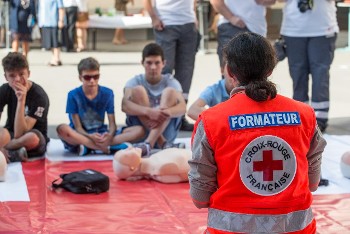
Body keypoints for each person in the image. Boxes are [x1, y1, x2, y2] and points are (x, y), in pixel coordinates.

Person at [188, 32, 327, 233]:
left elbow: (199, 198)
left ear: (229, 71)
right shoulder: (305, 115)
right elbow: (313, 184)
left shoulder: (211, 121)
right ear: (270, 70)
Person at [56, 57, 144, 156]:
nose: (92, 81)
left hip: (101, 133)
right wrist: (89, 136)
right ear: (80, 78)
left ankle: (88, 146)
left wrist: (109, 135)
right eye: (87, 77)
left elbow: (112, 124)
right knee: (62, 129)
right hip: (82, 134)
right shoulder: (73, 95)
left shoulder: (108, 93)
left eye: (95, 76)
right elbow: (78, 127)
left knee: (139, 130)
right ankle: (107, 148)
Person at [279, 0, 339, 133]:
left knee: (320, 76)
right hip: (293, 30)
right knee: (298, 76)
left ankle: (320, 120)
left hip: (323, 29)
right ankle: (301, 117)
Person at [121, 43, 186, 157]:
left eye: (157, 63)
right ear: (142, 63)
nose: (153, 67)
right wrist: (149, 112)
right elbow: (125, 105)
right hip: (142, 131)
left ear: (163, 63)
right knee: (138, 91)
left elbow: (183, 108)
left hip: (166, 131)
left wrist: (165, 113)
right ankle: (162, 143)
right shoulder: (134, 81)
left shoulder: (171, 81)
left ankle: (148, 144)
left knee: (169, 91)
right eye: (149, 63)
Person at [143, 0, 198, 131]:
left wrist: (194, 15)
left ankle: (180, 117)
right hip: (166, 22)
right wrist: (154, 17)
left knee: (185, 71)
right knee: (164, 70)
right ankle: (161, 115)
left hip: (188, 23)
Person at [0, 52, 50, 162]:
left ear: (28, 73)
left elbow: (20, 133)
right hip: (11, 134)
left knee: (31, 138)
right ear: (6, 77)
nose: (17, 79)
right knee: (3, 133)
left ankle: (6, 152)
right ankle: (14, 154)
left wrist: (21, 100)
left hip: (32, 136)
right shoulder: (4, 89)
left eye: (21, 74)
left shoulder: (39, 96)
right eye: (12, 76)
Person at [210, 0, 276, 76]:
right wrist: (231, 18)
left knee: (257, 73)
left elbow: (272, 1)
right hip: (232, 26)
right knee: (232, 73)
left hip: (257, 28)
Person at [113, 147, 192, 183]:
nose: (129, 148)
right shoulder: (160, 169)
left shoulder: (153, 160)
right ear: (132, 168)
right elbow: (190, 174)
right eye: (125, 154)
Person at [38, 0, 65, 66]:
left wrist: (61, 20)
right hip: (44, 22)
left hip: (53, 21)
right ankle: (54, 57)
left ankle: (56, 58)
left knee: (55, 41)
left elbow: (61, 8)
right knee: (50, 42)